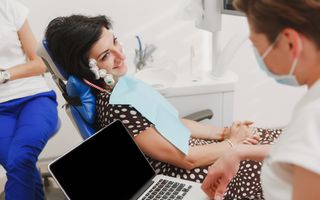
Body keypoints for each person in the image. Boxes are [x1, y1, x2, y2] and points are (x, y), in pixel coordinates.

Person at [45, 14, 281, 199]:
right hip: (186, 172)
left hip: (197, 151)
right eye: (106, 55)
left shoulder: (122, 86)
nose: (120, 55)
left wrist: (223, 133)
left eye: (115, 41)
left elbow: (172, 120)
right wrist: (233, 144)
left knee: (277, 139)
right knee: (285, 159)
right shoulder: (116, 107)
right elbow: (186, 160)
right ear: (87, 68)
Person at [201, 0, 320, 200]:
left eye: (257, 45)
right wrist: (238, 151)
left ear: (290, 42)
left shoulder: (312, 117)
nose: (259, 56)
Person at [0, 0, 59, 199]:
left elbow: (40, 64)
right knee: (18, 163)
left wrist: (4, 75)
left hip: (34, 98)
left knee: (20, 158)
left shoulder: (9, 9)